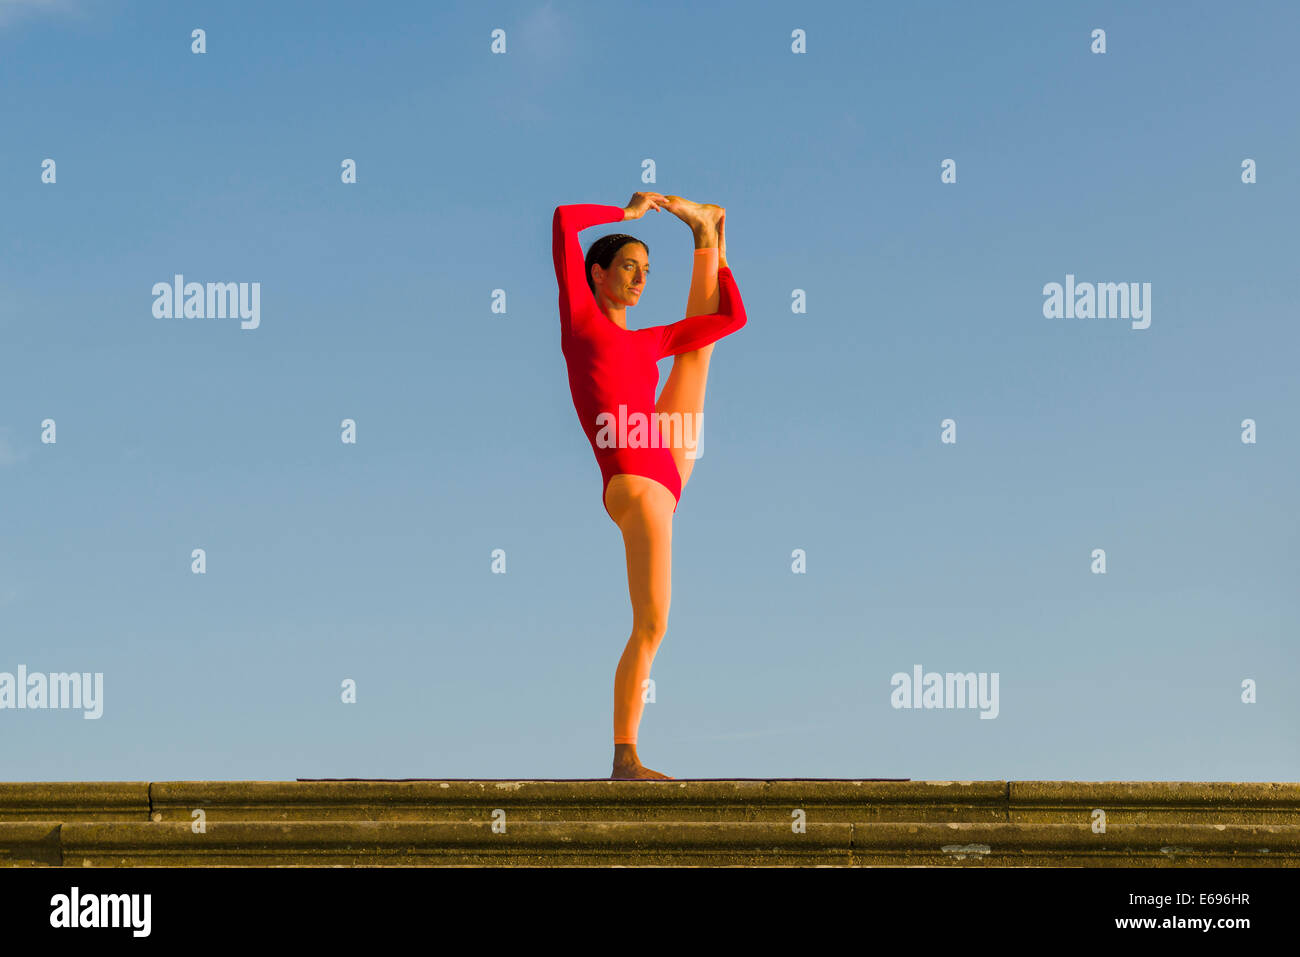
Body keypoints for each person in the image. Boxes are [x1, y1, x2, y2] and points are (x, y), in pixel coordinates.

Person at [550, 191, 747, 779]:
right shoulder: (581, 322)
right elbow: (563, 222)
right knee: (653, 622)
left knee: (698, 355)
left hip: (663, 460)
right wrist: (628, 215)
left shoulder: (647, 340)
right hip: (634, 480)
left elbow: (731, 319)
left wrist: (720, 255)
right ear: (598, 274)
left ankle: (706, 232)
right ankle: (625, 756)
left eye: (645, 271)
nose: (638, 279)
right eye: (628, 268)